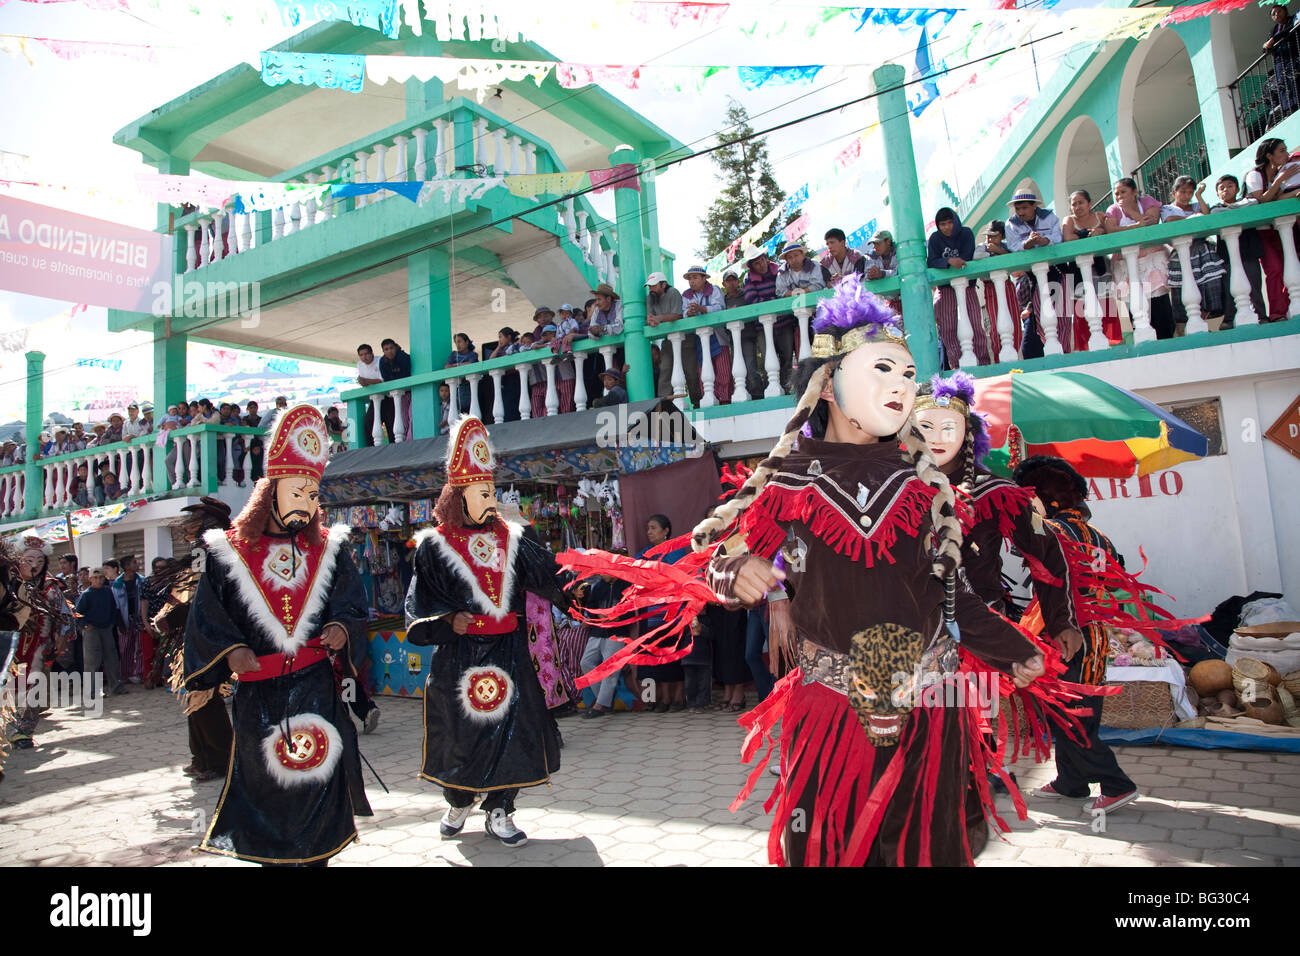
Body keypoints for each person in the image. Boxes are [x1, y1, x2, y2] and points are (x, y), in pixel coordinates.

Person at [182, 404, 372, 864]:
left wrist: (341, 628)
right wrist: (231, 651)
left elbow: (351, 604)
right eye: (298, 491)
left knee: (319, 777)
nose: (307, 503)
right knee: (267, 782)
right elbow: (206, 618)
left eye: (313, 494)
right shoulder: (228, 554)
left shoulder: (330, 550)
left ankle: (318, 857)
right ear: (270, 491)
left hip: (314, 689)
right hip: (258, 696)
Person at [404, 416, 572, 847]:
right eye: (482, 492)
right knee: (462, 735)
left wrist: (585, 580)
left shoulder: (515, 539)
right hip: (460, 658)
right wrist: (446, 622)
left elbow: (551, 575)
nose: (491, 499)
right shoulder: (433, 547)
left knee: (512, 731)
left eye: (492, 491)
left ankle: (501, 808)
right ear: (459, 497)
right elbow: (418, 606)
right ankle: (459, 799)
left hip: (510, 652)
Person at [1014, 455, 1139, 815]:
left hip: (1065, 634)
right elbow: (1119, 577)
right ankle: (1072, 782)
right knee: (1075, 709)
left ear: (1047, 500)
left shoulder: (1050, 531)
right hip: (1095, 635)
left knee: (1071, 711)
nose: (1027, 507)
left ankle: (1116, 784)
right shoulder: (1099, 536)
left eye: (1029, 499)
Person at [148, 498, 235, 780]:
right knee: (196, 696)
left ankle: (219, 760)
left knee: (206, 695)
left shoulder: (219, 554)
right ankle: (201, 757)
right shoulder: (202, 554)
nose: (189, 526)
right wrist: (168, 616)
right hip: (192, 636)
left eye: (196, 521)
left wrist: (172, 619)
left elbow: (206, 601)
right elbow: (186, 595)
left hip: (210, 637)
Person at [5, 544, 71, 749]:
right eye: (29, 560)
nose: (34, 565)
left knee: (32, 686)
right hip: (9, 644)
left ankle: (23, 731)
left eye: (39, 561)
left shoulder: (51, 587)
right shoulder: (7, 583)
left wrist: (62, 635)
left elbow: (65, 614)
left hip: (38, 646)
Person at [1005, 177, 1071, 356]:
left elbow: (1058, 238)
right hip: (1034, 278)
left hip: (1060, 272)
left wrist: (1044, 241)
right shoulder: (1011, 224)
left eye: (1024, 207)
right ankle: (1049, 353)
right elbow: (1013, 246)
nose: (1020, 212)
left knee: (1063, 319)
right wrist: (1026, 244)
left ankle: (1063, 353)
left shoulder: (1049, 217)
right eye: (1018, 208)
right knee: (1041, 318)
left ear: (1034, 206)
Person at [633, 515, 691, 713]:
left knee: (671, 658)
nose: (649, 532)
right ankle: (657, 699)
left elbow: (675, 578)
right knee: (652, 658)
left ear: (666, 531)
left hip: (670, 613)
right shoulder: (644, 553)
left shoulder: (675, 551)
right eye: (647, 528)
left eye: (653, 528)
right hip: (648, 615)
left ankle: (676, 698)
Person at [1105, 177, 1175, 339]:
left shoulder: (1147, 202)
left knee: (1160, 306)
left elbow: (1151, 222)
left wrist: (1130, 212)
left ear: (1134, 191)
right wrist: (1136, 225)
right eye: (1116, 193)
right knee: (1137, 308)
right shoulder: (1113, 209)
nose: (1119, 196)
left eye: (1123, 192)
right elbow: (1111, 230)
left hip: (1152, 262)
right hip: (1128, 265)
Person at [927, 207, 994, 367]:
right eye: (942, 224)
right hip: (946, 289)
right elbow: (931, 262)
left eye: (950, 222)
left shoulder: (965, 233)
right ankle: (957, 365)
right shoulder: (935, 239)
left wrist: (955, 261)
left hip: (967, 287)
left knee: (975, 326)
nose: (947, 227)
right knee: (949, 329)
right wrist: (948, 261)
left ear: (956, 221)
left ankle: (982, 362)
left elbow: (968, 256)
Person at [1244, 137, 1300, 320]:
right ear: (1269, 156)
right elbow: (1262, 200)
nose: (1287, 153)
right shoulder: (1255, 175)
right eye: (1282, 150)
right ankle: (1277, 312)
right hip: (1260, 231)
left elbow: (1279, 199)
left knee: (1288, 267)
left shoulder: (1280, 173)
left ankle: (1288, 307)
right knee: (1274, 269)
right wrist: (1281, 179)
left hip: (1280, 229)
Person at [1162, 176, 1227, 329]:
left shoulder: (1197, 205)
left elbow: (1206, 215)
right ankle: (1191, 324)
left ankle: (1203, 321)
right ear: (1174, 192)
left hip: (1203, 251)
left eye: (1190, 192)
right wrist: (1192, 217)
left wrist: (1199, 196)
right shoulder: (1168, 208)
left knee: (1209, 285)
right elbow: (1170, 220)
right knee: (1185, 287)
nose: (1186, 196)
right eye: (1183, 192)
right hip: (1182, 252)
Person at [1061, 189, 1122, 348]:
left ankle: (1112, 342)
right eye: (1074, 204)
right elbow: (1067, 238)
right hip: (1078, 271)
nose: (1077, 207)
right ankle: (1085, 346)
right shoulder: (1069, 220)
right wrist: (1088, 234)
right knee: (1082, 309)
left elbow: (1110, 231)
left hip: (1101, 269)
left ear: (1089, 203)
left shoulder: (1100, 216)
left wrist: (1101, 230)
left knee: (1106, 306)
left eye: (1081, 202)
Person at [1209, 174, 1267, 326]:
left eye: (1230, 186)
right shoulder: (1217, 208)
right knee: (1229, 288)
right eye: (1222, 188)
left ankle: (1261, 316)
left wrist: (1235, 207)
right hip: (1227, 255)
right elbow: (1216, 214)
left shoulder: (1248, 201)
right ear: (1217, 194)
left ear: (1236, 189)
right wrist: (1238, 209)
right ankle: (1229, 320)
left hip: (1249, 250)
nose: (1226, 190)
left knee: (1254, 286)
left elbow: (1254, 204)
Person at [681, 263, 734, 404]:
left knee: (723, 370)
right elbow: (684, 314)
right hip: (699, 339)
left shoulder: (715, 290)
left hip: (718, 336)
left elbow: (719, 308)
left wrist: (701, 308)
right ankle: (709, 398)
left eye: (695, 277)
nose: (692, 281)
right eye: (690, 278)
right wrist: (690, 313)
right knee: (703, 370)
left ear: (704, 278)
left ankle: (725, 398)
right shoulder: (686, 295)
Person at [77, 568, 126, 697]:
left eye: (101, 577)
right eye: (95, 577)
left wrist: (112, 623)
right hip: (91, 630)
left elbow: (113, 608)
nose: (98, 580)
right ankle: (92, 691)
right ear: (90, 579)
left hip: (106, 628)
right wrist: (85, 625)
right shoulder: (86, 594)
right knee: (92, 661)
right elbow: (78, 613)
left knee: (112, 658)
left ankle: (115, 686)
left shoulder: (107, 592)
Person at [111, 554, 146, 683]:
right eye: (134, 562)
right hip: (125, 620)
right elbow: (116, 606)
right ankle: (125, 675)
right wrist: (120, 623)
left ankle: (139, 673)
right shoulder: (117, 584)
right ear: (126, 566)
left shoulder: (142, 581)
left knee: (140, 647)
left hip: (139, 619)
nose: (137, 565)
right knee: (125, 648)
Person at [1264, 3, 1300, 116]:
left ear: (1285, 10)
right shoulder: (1273, 29)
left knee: (1296, 83)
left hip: (1293, 57)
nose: (1276, 15)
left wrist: (1274, 40)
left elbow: (1289, 31)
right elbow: (1266, 48)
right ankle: (1289, 110)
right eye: (1273, 14)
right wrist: (1267, 46)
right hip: (1280, 63)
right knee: (1284, 87)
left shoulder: (1293, 20)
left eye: (1278, 11)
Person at [380, 338, 413, 439]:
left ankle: (410, 439)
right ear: (383, 351)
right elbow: (386, 379)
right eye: (386, 349)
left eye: (391, 348)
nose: (389, 351)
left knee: (412, 416)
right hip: (399, 395)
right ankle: (404, 440)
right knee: (403, 418)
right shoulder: (383, 362)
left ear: (395, 348)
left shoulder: (403, 357)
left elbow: (405, 374)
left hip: (410, 391)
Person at [356, 343, 386, 446]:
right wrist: (363, 382)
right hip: (374, 399)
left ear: (372, 353)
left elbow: (381, 380)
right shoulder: (359, 365)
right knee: (368, 422)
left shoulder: (380, 361)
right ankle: (370, 447)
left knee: (390, 424)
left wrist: (365, 381)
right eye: (361, 355)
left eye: (366, 354)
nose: (364, 357)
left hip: (387, 397)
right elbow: (364, 382)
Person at [445, 333, 478, 414]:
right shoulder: (453, 354)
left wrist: (455, 365)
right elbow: (447, 366)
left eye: (459, 342)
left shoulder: (472, 354)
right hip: (458, 387)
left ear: (467, 342)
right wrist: (458, 365)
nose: (457, 345)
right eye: (456, 343)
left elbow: (470, 364)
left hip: (469, 386)